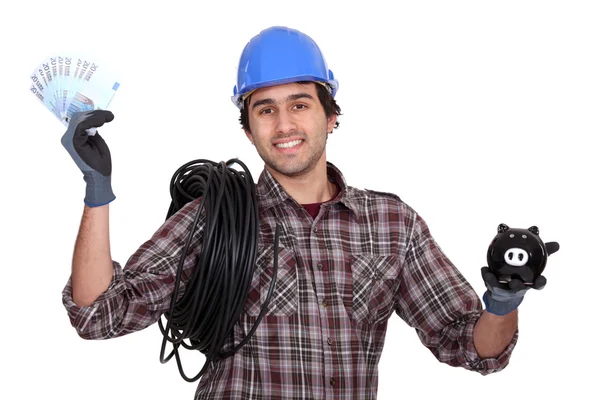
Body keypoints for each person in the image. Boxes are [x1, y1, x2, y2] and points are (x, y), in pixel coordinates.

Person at [61, 26, 541, 399]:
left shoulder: (393, 225)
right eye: (265, 109)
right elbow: (98, 313)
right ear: (248, 130)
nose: (284, 123)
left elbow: (470, 345)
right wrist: (97, 190)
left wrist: (503, 303)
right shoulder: (214, 221)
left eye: (300, 103)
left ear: (331, 115)